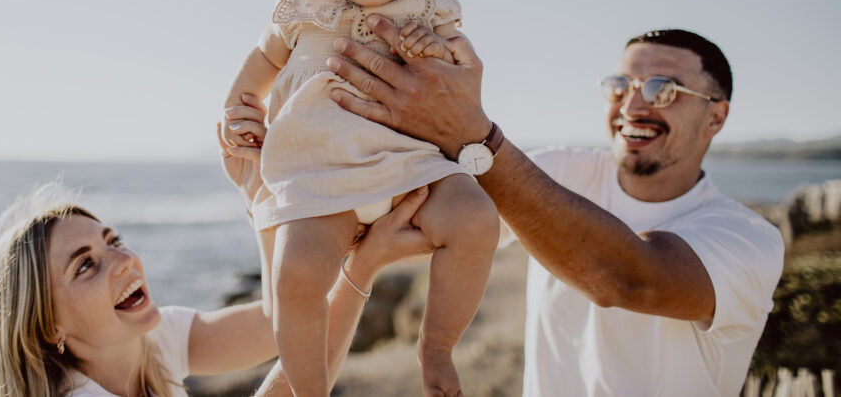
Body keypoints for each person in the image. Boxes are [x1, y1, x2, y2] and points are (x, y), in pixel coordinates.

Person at [326, 22, 785, 396]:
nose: (632, 105)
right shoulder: (561, 172)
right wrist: (296, 163)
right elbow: (421, 230)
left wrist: (474, 135)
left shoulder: (749, 240)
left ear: (716, 117)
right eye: (619, 86)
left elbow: (628, 279)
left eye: (663, 90)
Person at [221, 0, 499, 397]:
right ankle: (307, 389)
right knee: (297, 276)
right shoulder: (304, 3)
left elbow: (460, 81)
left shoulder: (429, 8)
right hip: (320, 183)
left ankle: (437, 346)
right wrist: (237, 112)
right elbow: (258, 65)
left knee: (476, 219)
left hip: (411, 170)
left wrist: (435, 50)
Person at [0, 135, 434, 397]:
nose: (123, 261)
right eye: (85, 267)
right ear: (47, 327)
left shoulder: (153, 341)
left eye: (113, 241)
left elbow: (278, 325)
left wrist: (260, 201)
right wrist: (362, 266)